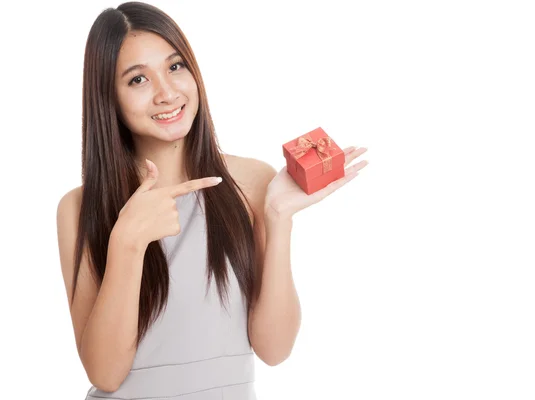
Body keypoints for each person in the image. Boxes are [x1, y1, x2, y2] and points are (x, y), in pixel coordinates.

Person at [56, 2, 368, 399]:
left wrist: (277, 217)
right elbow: (105, 373)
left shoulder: (251, 181)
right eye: (138, 80)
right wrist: (128, 243)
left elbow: (274, 349)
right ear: (108, 97)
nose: (167, 93)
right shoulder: (81, 207)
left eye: (175, 67)